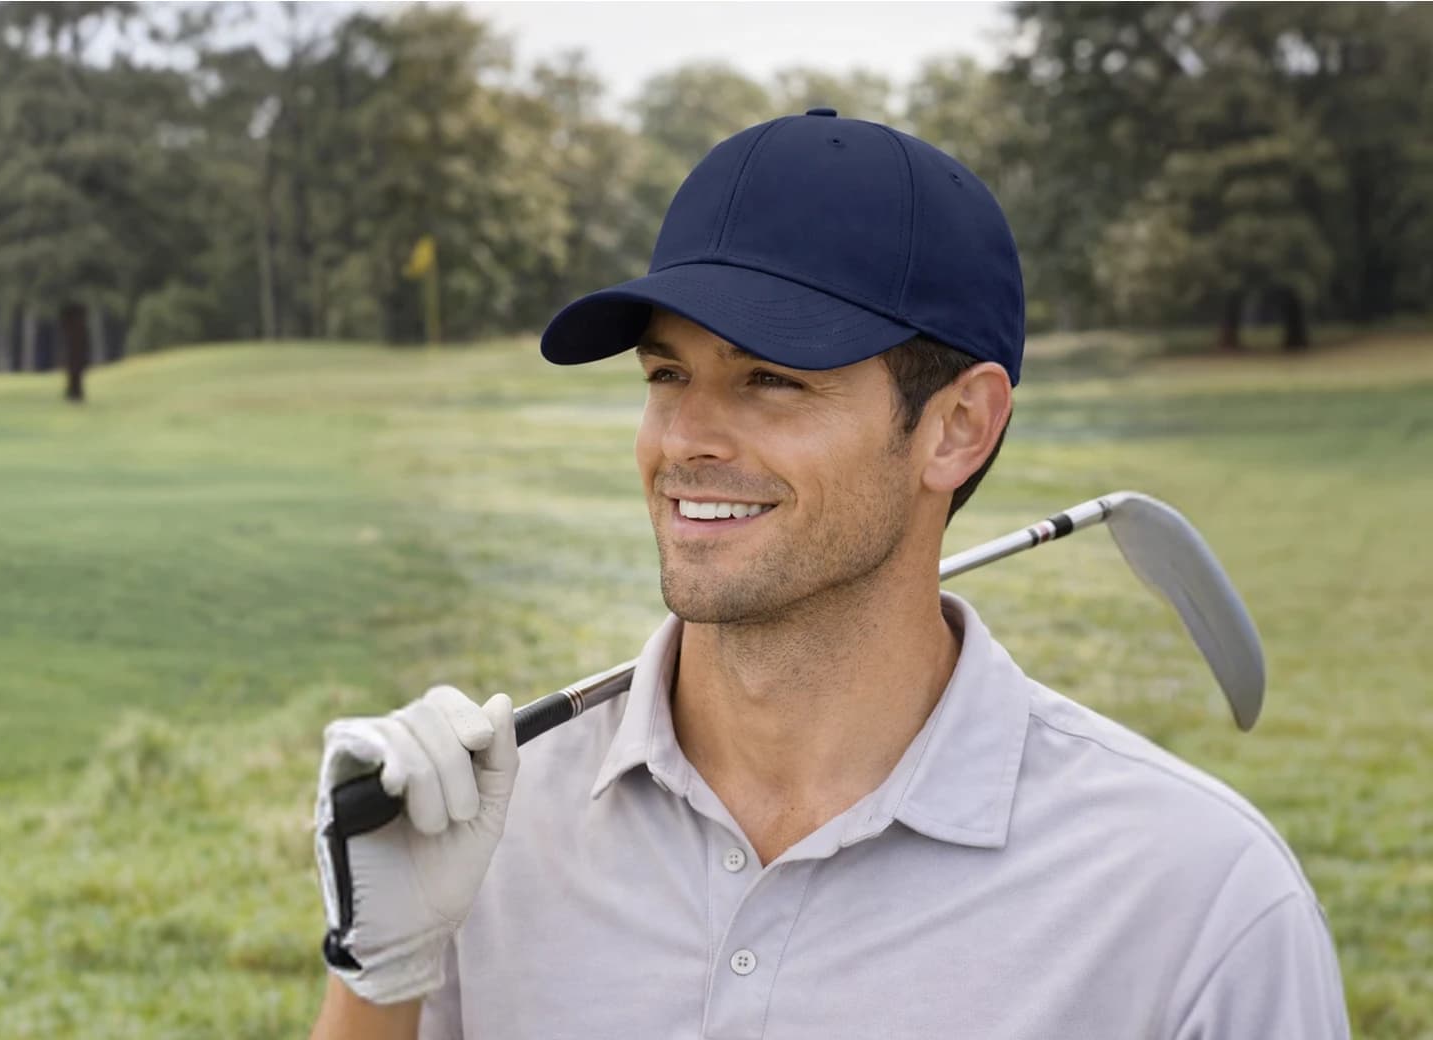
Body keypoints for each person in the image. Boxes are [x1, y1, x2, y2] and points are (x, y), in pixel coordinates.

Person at [306, 109, 1349, 1039]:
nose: (684, 438)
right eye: (667, 373)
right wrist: (381, 973)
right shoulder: (483, 832)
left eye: (770, 378)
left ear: (958, 426)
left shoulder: (1196, 898)